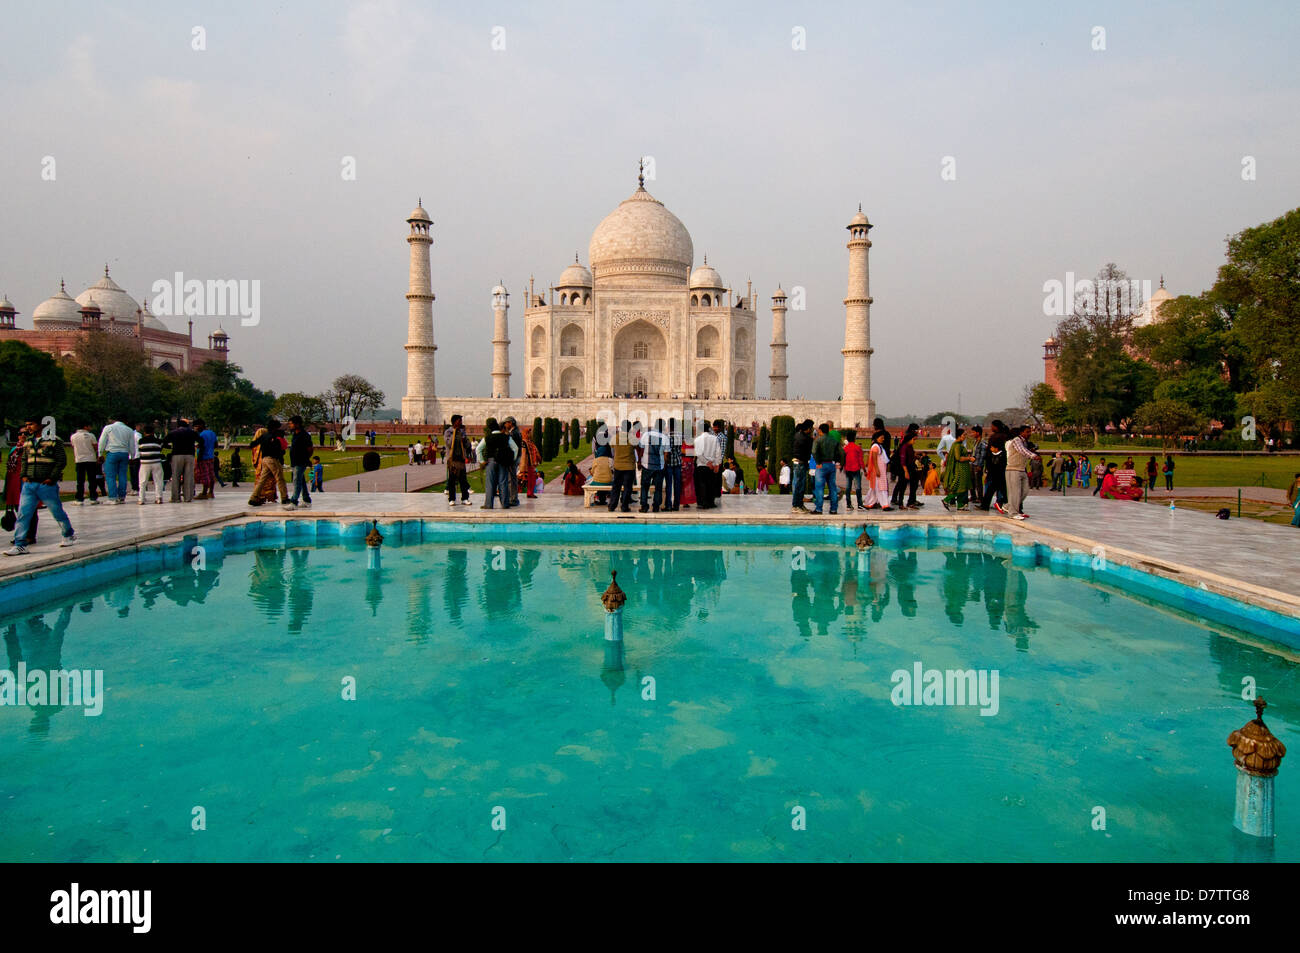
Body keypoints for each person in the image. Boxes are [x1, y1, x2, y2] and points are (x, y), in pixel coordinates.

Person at [4, 418, 75, 556]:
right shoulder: (29, 442)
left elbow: (61, 460)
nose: (28, 428)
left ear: (41, 425)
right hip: (29, 484)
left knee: (56, 512)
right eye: (26, 425)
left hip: (46, 484)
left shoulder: (54, 440)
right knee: (23, 514)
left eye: (31, 424)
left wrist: (51, 478)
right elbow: (25, 459)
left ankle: (68, 534)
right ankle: (20, 544)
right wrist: (24, 475)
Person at [4, 427, 39, 545]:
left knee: (29, 511)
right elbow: (9, 470)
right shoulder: (14, 449)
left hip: (27, 483)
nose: (22, 435)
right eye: (20, 433)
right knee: (19, 511)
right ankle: (21, 535)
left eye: (26, 433)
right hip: (14, 484)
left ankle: (30, 536)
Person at [247, 420, 288, 506]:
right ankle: (284, 498)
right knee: (280, 478)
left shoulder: (264, 436)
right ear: (275, 428)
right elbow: (279, 449)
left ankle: (254, 497)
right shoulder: (274, 436)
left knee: (262, 480)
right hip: (272, 459)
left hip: (264, 459)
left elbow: (252, 444)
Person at [97, 414, 136, 503]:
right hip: (124, 453)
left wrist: (100, 453)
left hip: (112, 452)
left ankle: (113, 497)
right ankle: (122, 496)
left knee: (110, 476)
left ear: (114, 420)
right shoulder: (129, 430)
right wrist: (132, 456)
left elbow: (102, 441)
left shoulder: (108, 428)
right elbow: (132, 445)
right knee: (123, 475)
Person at [1004, 424, 1040, 520]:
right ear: (1021, 432)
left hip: (1021, 469)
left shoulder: (1025, 442)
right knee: (1015, 492)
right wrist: (1033, 456)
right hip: (1013, 469)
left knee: (1025, 491)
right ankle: (1013, 513)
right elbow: (1022, 450)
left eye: (1030, 432)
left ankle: (1008, 506)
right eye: (1027, 432)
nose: (1029, 434)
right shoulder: (1017, 440)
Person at [163, 419, 199, 503]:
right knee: (189, 477)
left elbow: (164, 442)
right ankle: (188, 497)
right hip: (190, 455)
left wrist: (170, 447)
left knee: (176, 476)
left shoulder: (174, 432)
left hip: (177, 455)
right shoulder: (192, 432)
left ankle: (176, 498)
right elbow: (201, 441)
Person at [941, 428, 975, 510]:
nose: (965, 436)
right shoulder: (957, 445)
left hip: (963, 469)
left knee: (962, 487)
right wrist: (969, 458)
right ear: (959, 436)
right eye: (964, 435)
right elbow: (958, 457)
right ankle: (946, 500)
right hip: (960, 470)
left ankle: (960, 506)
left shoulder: (959, 444)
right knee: (959, 487)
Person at [812, 422, 841, 515]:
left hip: (822, 465)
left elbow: (814, 451)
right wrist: (837, 462)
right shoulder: (834, 441)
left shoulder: (818, 440)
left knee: (819, 487)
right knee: (832, 488)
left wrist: (818, 462)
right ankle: (833, 509)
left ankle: (819, 509)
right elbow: (839, 453)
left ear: (820, 431)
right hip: (831, 465)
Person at [639, 419, 668, 513]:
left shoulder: (646, 435)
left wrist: (639, 461)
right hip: (659, 466)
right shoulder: (665, 437)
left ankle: (644, 506)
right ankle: (656, 506)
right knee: (658, 487)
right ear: (663, 427)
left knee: (644, 486)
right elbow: (666, 454)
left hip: (646, 465)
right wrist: (664, 464)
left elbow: (641, 449)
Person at [608, 421, 637, 513]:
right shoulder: (632, 438)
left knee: (616, 486)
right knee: (628, 487)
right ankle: (624, 506)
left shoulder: (615, 437)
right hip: (629, 466)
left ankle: (612, 505)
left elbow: (611, 446)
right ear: (629, 428)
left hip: (618, 465)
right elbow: (637, 446)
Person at [693, 419, 722, 510]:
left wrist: (706, 463)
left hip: (702, 465)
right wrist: (716, 464)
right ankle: (710, 502)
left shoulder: (697, 440)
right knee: (711, 484)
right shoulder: (714, 438)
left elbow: (698, 454)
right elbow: (718, 452)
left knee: (701, 484)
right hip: (712, 465)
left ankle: (702, 503)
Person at [70, 422, 101, 505]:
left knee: (80, 480)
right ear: (85, 426)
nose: (90, 428)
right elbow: (95, 447)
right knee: (92, 479)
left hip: (79, 460)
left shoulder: (73, 436)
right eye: (89, 426)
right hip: (91, 459)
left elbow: (73, 446)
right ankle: (93, 498)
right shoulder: (91, 436)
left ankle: (79, 499)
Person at [286, 415, 313, 508]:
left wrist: (306, 459)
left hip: (301, 461)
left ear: (297, 424)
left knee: (296, 481)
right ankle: (306, 500)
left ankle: (293, 502)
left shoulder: (304, 435)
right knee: (301, 481)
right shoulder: (295, 435)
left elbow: (310, 449)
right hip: (295, 461)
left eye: (291, 424)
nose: (290, 426)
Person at [444, 415, 472, 506]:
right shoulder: (448, 432)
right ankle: (451, 499)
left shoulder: (462, 432)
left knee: (463, 479)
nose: (461, 422)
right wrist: (456, 434)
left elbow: (468, 445)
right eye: (459, 421)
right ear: (455, 422)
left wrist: (464, 439)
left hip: (461, 458)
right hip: (452, 459)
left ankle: (465, 498)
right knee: (452, 480)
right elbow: (448, 443)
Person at [790, 419, 815, 512]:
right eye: (811, 428)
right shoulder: (804, 438)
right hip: (800, 463)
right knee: (799, 486)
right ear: (808, 428)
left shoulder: (798, 435)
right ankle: (796, 506)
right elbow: (810, 449)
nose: (812, 430)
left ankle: (800, 505)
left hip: (799, 463)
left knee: (800, 485)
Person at [137, 424, 165, 504]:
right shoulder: (158, 441)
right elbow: (160, 449)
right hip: (156, 462)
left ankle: (141, 499)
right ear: (153, 432)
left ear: (144, 432)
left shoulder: (141, 441)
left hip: (145, 463)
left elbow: (140, 450)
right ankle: (158, 498)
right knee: (158, 480)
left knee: (143, 481)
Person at [864, 430, 892, 510]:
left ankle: (870, 503)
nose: (883, 439)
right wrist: (877, 469)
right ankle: (885, 505)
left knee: (875, 488)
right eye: (881, 438)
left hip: (880, 470)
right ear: (877, 438)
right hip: (877, 471)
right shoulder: (875, 447)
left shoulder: (879, 446)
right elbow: (874, 459)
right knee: (880, 487)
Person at [194, 418, 218, 500]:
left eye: (196, 426)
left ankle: (204, 493)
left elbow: (202, 447)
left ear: (201, 425)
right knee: (211, 474)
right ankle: (211, 492)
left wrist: (199, 458)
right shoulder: (212, 433)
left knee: (205, 476)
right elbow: (216, 445)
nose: (195, 428)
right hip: (211, 457)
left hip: (203, 457)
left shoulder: (202, 435)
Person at [842, 429, 864, 510]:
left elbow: (843, 459)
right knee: (858, 487)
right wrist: (864, 470)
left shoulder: (845, 448)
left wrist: (843, 467)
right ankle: (860, 504)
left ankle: (848, 505)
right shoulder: (857, 448)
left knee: (848, 487)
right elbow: (861, 460)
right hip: (856, 469)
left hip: (848, 469)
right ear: (854, 438)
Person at [518, 425, 542, 499]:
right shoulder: (523, 442)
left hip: (532, 464)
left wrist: (539, 458)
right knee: (529, 479)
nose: (530, 434)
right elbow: (524, 454)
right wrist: (523, 466)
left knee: (532, 479)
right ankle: (529, 493)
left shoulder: (530, 442)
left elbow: (536, 451)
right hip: (527, 464)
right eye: (528, 433)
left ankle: (530, 493)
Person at [664, 418, 683, 511]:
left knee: (669, 485)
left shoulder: (667, 436)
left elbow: (667, 451)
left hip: (669, 464)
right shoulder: (680, 435)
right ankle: (676, 505)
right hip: (678, 462)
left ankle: (668, 504)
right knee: (677, 485)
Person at [680, 425, 697, 508]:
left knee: (686, 483)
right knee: (686, 483)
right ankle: (685, 501)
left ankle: (686, 501)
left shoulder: (687, 442)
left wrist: (686, 452)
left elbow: (691, 453)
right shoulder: (688, 442)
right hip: (687, 464)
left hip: (687, 464)